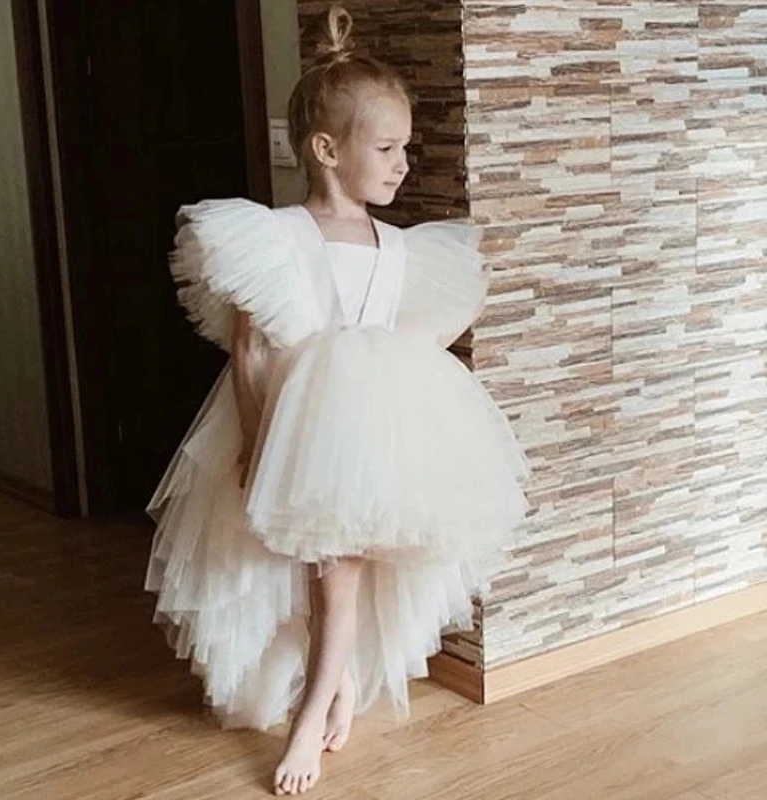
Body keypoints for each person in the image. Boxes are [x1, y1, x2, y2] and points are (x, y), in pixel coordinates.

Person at [145, 6, 529, 795]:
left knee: (341, 571)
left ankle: (312, 712)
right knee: (306, 572)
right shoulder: (276, 236)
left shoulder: (402, 247)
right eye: (386, 149)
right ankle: (339, 682)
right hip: (293, 427)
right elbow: (252, 350)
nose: (402, 164)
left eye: (405, 148)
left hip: (366, 437)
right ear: (326, 150)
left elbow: (415, 340)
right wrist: (258, 441)